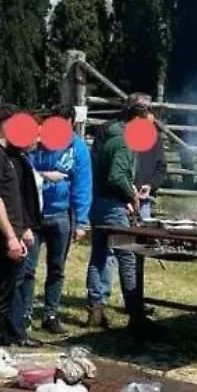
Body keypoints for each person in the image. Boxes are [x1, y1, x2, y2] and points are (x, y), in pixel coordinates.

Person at [0, 105, 40, 377]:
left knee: (7, 291)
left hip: (13, 234)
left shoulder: (7, 156)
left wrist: (23, 228)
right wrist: (10, 237)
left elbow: (15, 198)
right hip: (0, 238)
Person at [17, 104, 93, 336]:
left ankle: (50, 314)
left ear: (71, 122)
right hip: (35, 215)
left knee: (57, 268)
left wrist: (81, 220)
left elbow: (82, 184)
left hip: (62, 215)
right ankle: (24, 314)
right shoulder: (36, 142)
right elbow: (21, 170)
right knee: (27, 267)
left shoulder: (77, 149)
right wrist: (42, 175)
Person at [86, 94, 153, 334]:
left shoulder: (112, 136)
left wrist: (127, 187)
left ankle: (95, 308)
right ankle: (136, 315)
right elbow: (116, 176)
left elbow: (114, 174)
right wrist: (130, 195)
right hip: (114, 206)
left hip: (99, 203)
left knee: (100, 254)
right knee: (127, 257)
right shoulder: (125, 141)